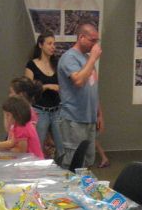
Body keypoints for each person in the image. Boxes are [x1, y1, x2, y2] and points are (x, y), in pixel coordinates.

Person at [57, 21, 103, 169]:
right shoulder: (69, 57)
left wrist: (99, 114)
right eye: (92, 40)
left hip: (89, 118)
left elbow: (93, 88)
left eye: (97, 41)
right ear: (81, 37)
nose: (95, 45)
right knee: (73, 162)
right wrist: (93, 58)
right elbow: (78, 81)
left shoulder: (87, 59)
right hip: (73, 119)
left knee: (87, 161)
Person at [24, 31, 64, 158]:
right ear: (41, 45)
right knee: (37, 146)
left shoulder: (56, 64)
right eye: (49, 43)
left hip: (56, 110)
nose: (53, 47)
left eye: (54, 44)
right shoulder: (32, 65)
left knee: (62, 147)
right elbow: (28, 89)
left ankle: (62, 167)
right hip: (40, 111)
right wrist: (46, 86)